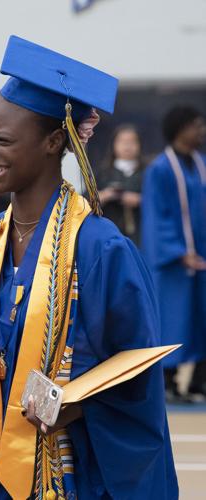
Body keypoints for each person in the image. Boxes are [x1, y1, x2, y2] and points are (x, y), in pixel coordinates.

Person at [0, 36, 177, 499]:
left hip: (84, 471)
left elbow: (136, 366)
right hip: (10, 470)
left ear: (54, 142)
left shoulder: (100, 247)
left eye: (3, 140)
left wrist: (68, 405)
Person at [142, 105, 206, 402]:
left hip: (200, 258)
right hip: (173, 263)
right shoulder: (160, 169)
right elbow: (157, 217)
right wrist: (179, 252)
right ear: (181, 129)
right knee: (173, 319)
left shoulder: (200, 163)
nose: (201, 130)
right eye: (196, 125)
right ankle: (167, 384)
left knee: (199, 318)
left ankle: (197, 383)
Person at [97, 124, 145, 245]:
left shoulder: (148, 172)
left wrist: (140, 200)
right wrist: (105, 195)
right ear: (114, 145)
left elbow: (161, 201)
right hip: (109, 235)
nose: (127, 146)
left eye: (132, 142)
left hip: (140, 235)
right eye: (122, 141)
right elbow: (84, 202)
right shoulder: (103, 173)